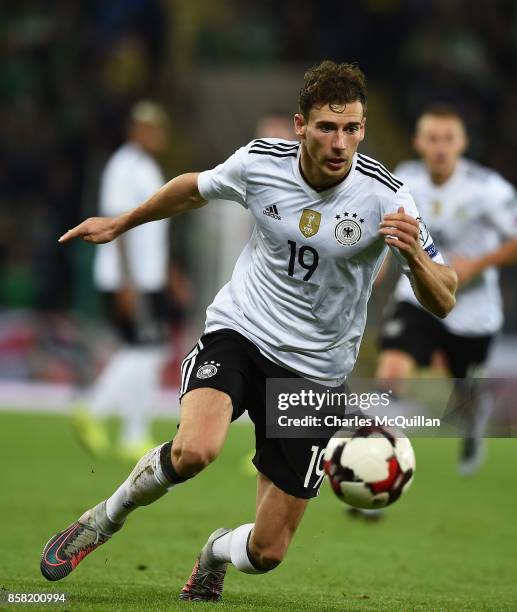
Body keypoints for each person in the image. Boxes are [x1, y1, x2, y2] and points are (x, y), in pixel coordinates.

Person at [40, 61, 456, 600]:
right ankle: (103, 518)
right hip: (243, 330)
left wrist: (416, 259)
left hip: (316, 373)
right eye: (327, 127)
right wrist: (123, 222)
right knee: (196, 450)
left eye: (351, 128)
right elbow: (193, 189)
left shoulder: (387, 197)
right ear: (300, 124)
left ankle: (214, 550)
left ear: (363, 128)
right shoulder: (260, 163)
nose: (340, 142)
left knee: (267, 553)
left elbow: (444, 297)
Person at [377, 105, 517, 475]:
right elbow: (387, 229)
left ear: (463, 143)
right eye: (432, 138)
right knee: (391, 371)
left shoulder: (488, 189)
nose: (440, 147)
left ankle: (471, 428)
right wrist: (380, 264)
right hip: (418, 296)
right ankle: (381, 460)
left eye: (448, 139)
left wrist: (477, 264)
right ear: (418, 142)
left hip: (472, 312)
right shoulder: (403, 181)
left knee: (465, 395)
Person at [72, 101, 173, 461]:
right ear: (134, 130)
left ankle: (134, 432)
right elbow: (118, 226)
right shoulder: (125, 166)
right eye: (148, 128)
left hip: (146, 275)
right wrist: (128, 282)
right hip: (130, 278)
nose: (155, 134)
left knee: (147, 350)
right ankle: (95, 408)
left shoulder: (145, 166)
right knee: (148, 349)